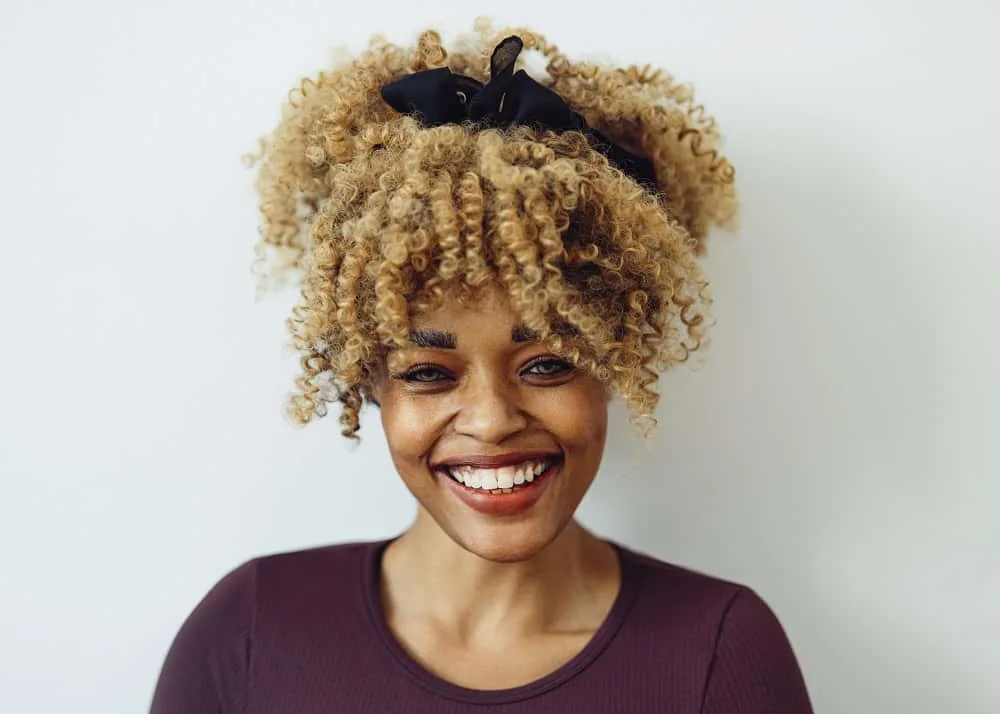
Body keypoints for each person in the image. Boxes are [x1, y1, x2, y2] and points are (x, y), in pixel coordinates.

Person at [149, 20, 814, 713]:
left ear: (614, 360)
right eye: (430, 373)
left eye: (549, 363)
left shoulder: (721, 653)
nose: (493, 421)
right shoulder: (250, 632)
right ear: (370, 382)